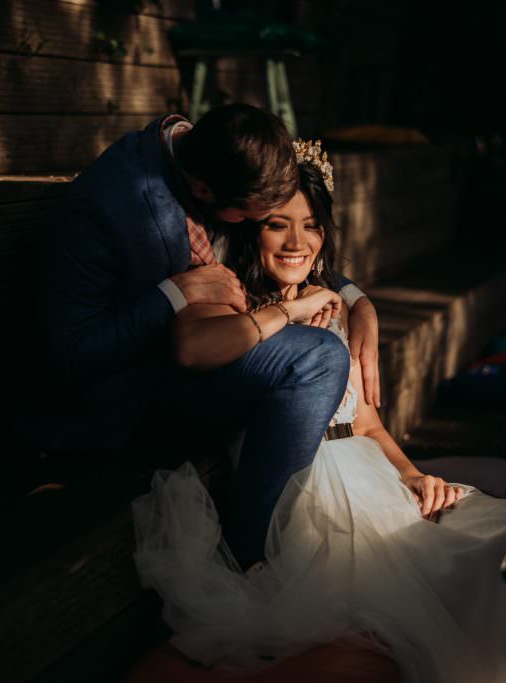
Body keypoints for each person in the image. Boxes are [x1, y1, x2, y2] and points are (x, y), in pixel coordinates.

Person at [130, 143, 506, 682]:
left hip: (375, 481)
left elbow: (366, 422)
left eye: (312, 225)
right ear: (253, 228)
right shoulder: (231, 297)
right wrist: (286, 312)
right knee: (414, 619)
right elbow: (189, 348)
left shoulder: (337, 300)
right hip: (307, 496)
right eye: (278, 225)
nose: (297, 242)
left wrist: (414, 475)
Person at [36, 104, 379, 567]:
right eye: (251, 218)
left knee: (318, 350)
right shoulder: (104, 207)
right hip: (128, 397)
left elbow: (290, 246)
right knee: (316, 357)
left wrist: (357, 299)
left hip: (208, 351)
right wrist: (170, 295)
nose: (252, 227)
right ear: (203, 191)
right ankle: (255, 559)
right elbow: (69, 356)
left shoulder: (214, 154)